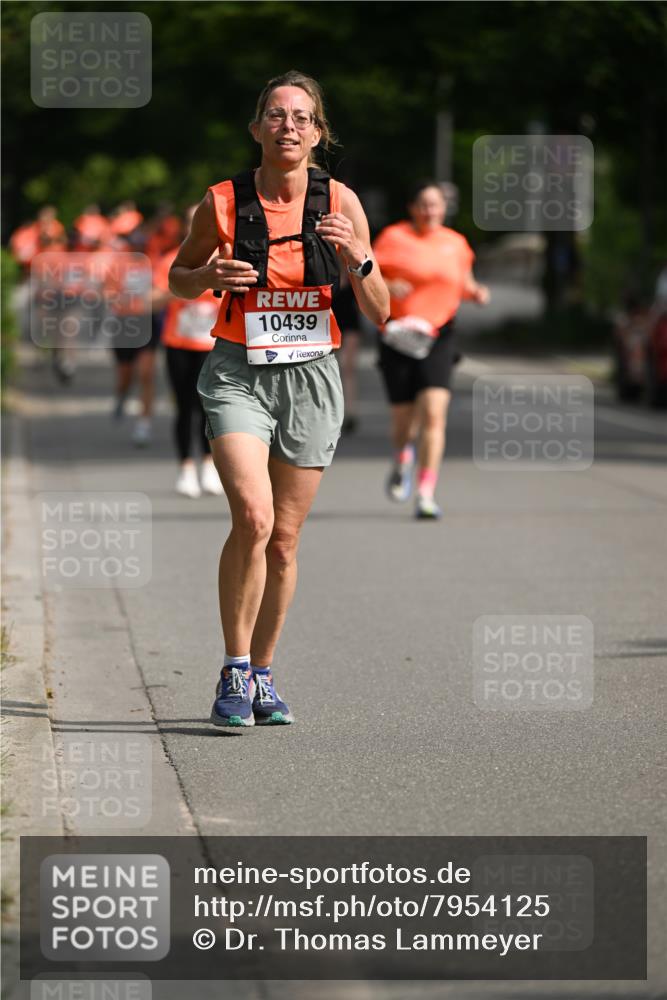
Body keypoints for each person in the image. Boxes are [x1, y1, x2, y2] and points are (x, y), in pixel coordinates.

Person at [169, 70, 389, 727]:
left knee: (285, 542)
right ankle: (233, 672)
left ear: (317, 132)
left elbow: (380, 310)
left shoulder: (341, 202)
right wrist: (208, 274)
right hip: (239, 370)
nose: (286, 126)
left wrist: (358, 257)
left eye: (300, 117)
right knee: (254, 520)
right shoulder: (221, 202)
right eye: (274, 115)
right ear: (256, 127)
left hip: (311, 376)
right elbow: (178, 280)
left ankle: (263, 674)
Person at [373, 180, 489, 520]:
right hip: (398, 336)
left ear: (443, 209)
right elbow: (366, 276)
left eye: (435, 205)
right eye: (423, 204)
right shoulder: (393, 238)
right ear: (412, 207)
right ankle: (401, 456)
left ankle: (425, 492)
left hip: (439, 335)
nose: (430, 211)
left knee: (435, 414)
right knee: (403, 421)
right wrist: (388, 284)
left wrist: (477, 293)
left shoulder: (456, 243)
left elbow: (463, 283)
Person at [153, 207, 223, 498]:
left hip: (212, 344)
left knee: (210, 409)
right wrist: (188, 284)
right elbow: (152, 299)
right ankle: (185, 469)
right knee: (184, 407)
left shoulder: (226, 258)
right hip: (179, 343)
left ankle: (208, 466)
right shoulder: (173, 260)